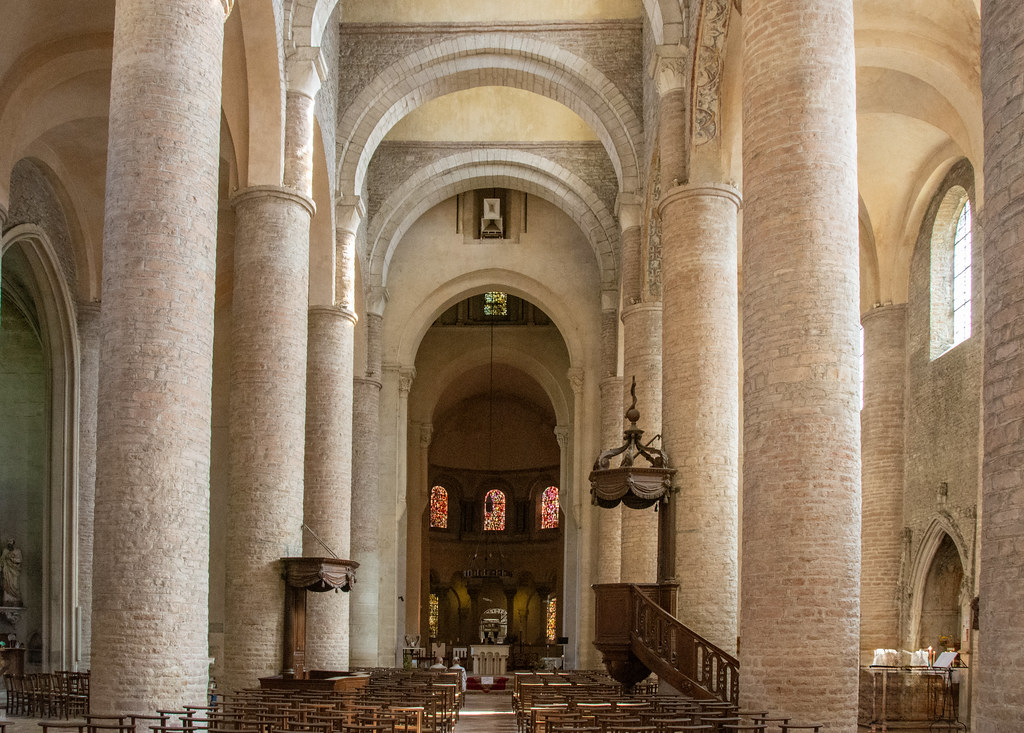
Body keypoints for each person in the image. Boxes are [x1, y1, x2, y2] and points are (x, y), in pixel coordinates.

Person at [0, 539, 22, 607]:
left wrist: (11, 559)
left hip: (14, 572)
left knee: (15, 584)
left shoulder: (17, 551)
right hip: (6, 572)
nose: (9, 545)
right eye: (8, 544)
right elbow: (1, 561)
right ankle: (7, 599)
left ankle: (16, 598)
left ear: (13, 544)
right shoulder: (5, 551)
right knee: (6, 584)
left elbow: (19, 560)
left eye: (11, 544)